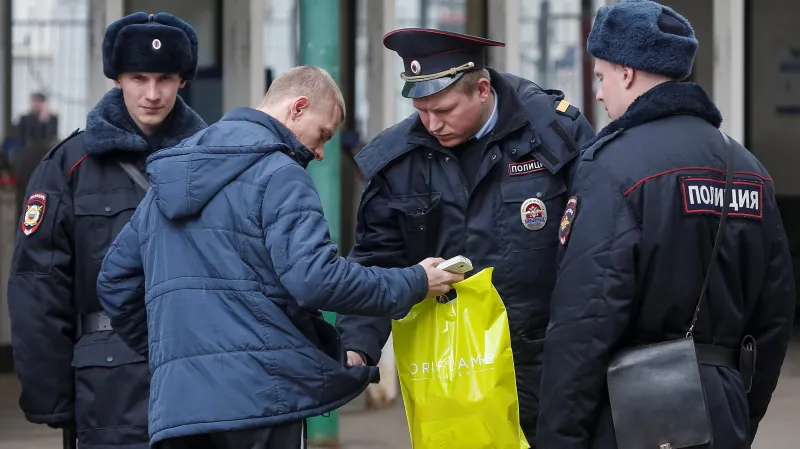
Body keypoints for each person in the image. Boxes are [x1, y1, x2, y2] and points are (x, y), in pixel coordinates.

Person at [95, 65, 464, 449]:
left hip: (178, 410)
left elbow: (114, 283)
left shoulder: (169, 177)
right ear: (298, 108)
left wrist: (178, 357)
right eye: (322, 135)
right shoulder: (280, 173)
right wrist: (416, 281)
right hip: (263, 402)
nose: (320, 153)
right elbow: (316, 279)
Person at [536, 1, 796, 448]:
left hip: (629, 416)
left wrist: (559, 437)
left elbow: (586, 320)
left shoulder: (612, 167)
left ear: (627, 73)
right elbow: (774, 317)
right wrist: (738, 412)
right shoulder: (750, 169)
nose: (597, 93)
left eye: (600, 76)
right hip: (722, 412)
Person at [334, 28, 596, 442]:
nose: (432, 123)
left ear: (482, 89)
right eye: (421, 110)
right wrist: (357, 346)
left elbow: (596, 244)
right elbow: (376, 258)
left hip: (549, 363)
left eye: (443, 109)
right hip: (453, 368)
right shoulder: (399, 161)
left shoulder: (555, 135)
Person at [6, 12, 207, 449]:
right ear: (117, 78)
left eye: (165, 79)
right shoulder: (67, 166)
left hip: (202, 382)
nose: (152, 94)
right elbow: (37, 286)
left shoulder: (212, 161)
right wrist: (53, 397)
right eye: (138, 77)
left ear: (182, 81)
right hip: (106, 393)